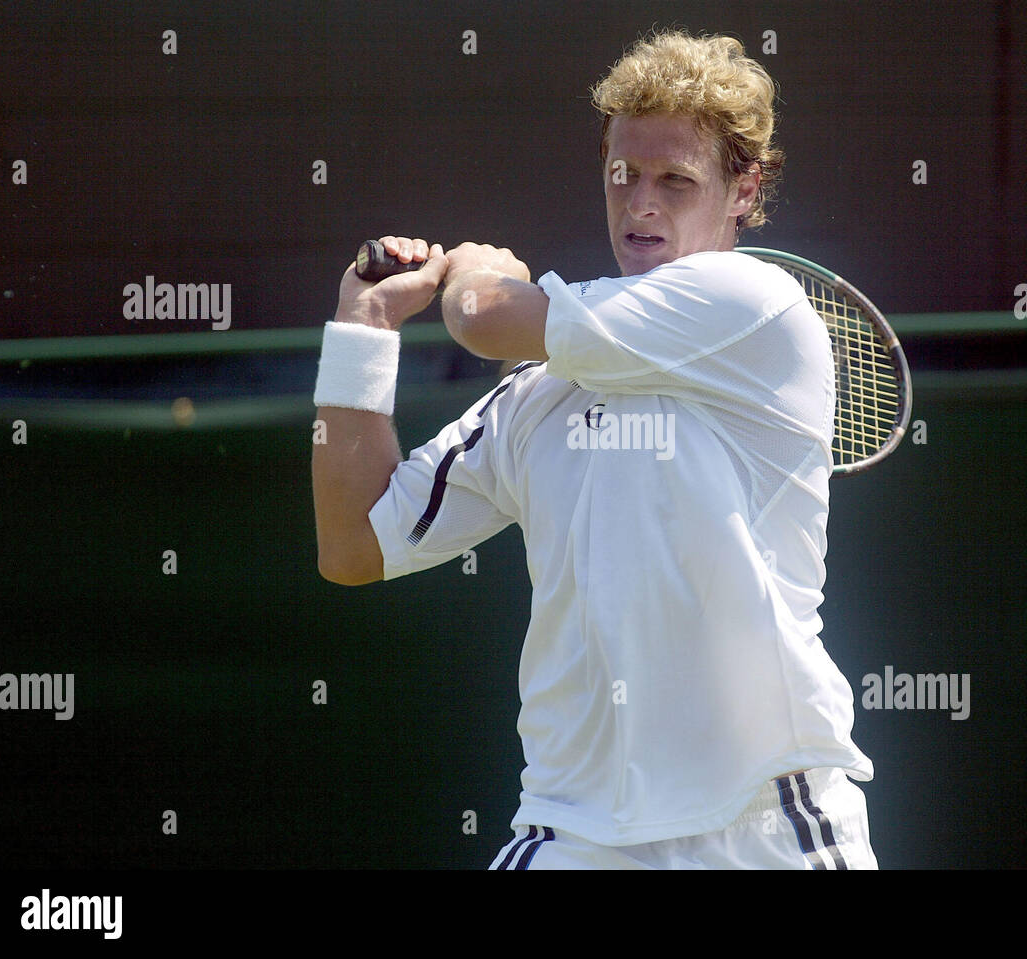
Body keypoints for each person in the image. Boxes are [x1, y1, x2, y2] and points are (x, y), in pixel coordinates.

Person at [311, 30, 877, 869]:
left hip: (764, 825)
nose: (641, 203)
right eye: (624, 174)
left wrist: (476, 268)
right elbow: (354, 542)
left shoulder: (757, 301)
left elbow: (478, 318)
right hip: (569, 831)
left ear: (743, 190)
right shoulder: (534, 394)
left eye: (676, 180)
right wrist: (361, 326)